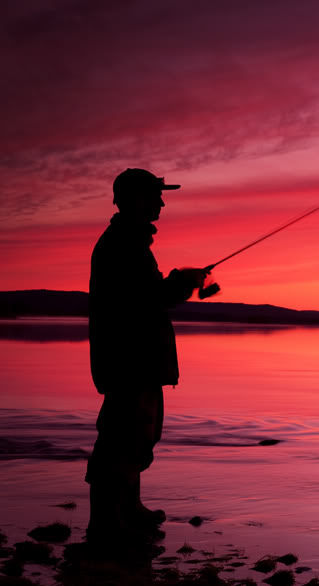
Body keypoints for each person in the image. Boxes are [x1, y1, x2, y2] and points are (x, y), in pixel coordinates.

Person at [85, 168, 207, 544]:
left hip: (137, 359)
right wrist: (182, 283)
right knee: (121, 439)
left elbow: (149, 296)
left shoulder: (131, 241)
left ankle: (129, 508)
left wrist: (178, 282)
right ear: (135, 198)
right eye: (156, 195)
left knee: (139, 437)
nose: (162, 202)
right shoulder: (124, 243)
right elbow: (149, 299)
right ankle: (106, 521)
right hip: (130, 360)